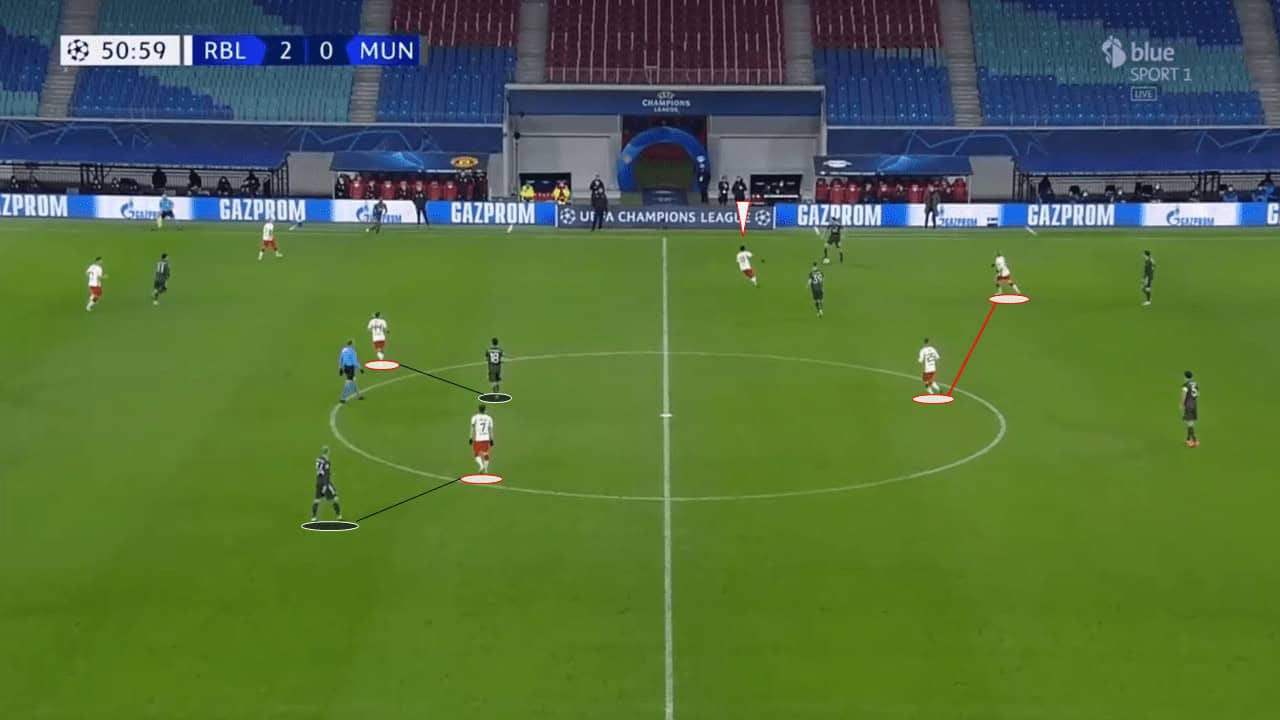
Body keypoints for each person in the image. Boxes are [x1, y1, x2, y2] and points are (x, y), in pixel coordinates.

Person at [310, 447, 342, 522]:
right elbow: (326, 473)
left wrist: (329, 474)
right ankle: (339, 516)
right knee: (335, 498)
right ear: (328, 452)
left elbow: (321, 470)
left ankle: (313, 517)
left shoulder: (318, 459)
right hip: (325, 483)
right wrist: (326, 485)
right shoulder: (327, 461)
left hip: (318, 482)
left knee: (317, 500)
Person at [469, 405, 495, 473]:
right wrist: (491, 439)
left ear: (479, 410)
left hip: (478, 438)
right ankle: (486, 469)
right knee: (486, 454)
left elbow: (472, 428)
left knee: (476, 454)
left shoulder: (475, 417)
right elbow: (490, 430)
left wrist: (470, 437)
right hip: (486, 438)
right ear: (485, 410)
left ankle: (481, 466)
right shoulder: (489, 418)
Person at [1181, 371, 1199, 447]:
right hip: (1194, 404)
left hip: (1188, 405)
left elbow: (1184, 394)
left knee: (1190, 423)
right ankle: (1188, 439)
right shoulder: (1195, 383)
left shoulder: (1185, 385)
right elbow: (1197, 393)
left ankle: (1195, 440)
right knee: (1190, 422)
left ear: (1185, 377)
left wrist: (1182, 404)